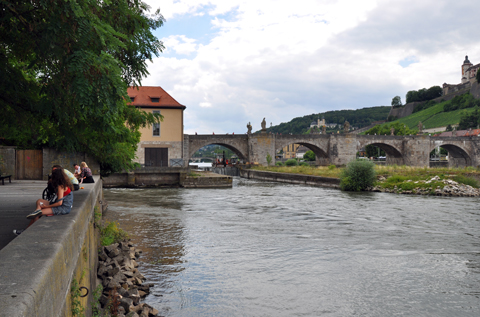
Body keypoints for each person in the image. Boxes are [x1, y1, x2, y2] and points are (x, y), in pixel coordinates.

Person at [13, 168, 74, 235]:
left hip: (63, 208)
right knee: (39, 201)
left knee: (38, 214)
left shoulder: (61, 186)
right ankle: (36, 211)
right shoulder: (64, 183)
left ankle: (29, 231)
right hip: (62, 206)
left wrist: (46, 206)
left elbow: (59, 203)